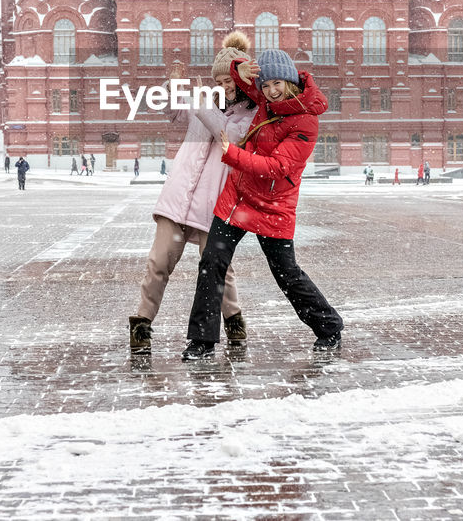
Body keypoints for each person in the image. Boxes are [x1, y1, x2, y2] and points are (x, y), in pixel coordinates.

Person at [183, 48, 342, 361]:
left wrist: (233, 153)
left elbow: (277, 167)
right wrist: (237, 67)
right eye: (266, 86)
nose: (269, 91)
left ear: (291, 81)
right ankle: (202, 342)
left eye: (277, 84)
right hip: (237, 199)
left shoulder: (305, 121)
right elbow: (238, 77)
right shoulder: (265, 101)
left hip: (273, 206)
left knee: (286, 273)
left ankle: (329, 327)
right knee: (211, 263)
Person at [131, 35, 256, 356]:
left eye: (229, 80)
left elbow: (233, 138)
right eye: (218, 80)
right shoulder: (205, 100)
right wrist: (172, 88)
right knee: (158, 262)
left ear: (242, 80)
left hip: (213, 204)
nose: (223, 86)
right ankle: (142, 324)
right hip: (177, 197)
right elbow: (174, 113)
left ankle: (234, 320)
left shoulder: (250, 113)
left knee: (216, 268)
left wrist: (202, 105)